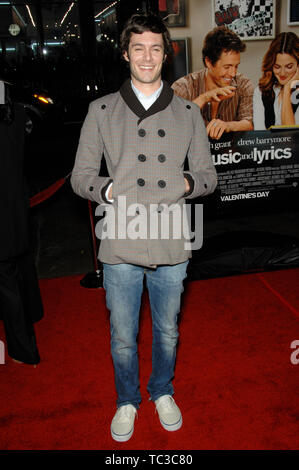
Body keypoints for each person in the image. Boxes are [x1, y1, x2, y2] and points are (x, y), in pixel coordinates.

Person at [71, 13, 217, 442]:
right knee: (122, 336)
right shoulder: (101, 111)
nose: (147, 56)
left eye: (156, 47)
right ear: (125, 54)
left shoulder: (189, 112)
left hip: (172, 237)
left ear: (166, 54)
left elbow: (208, 177)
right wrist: (111, 190)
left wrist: (186, 182)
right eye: (138, 48)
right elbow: (80, 177)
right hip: (120, 238)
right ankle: (127, 400)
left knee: (168, 330)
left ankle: (162, 390)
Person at [0, 80, 43, 366]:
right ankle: (33, 322)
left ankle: (24, 351)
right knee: (17, 272)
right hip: (16, 211)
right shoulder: (19, 113)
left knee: (6, 283)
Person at [172, 26, 254, 140]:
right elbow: (174, 127)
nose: (233, 73)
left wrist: (228, 126)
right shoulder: (182, 87)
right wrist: (203, 98)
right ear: (209, 62)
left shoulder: (244, 85)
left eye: (236, 66)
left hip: (230, 155)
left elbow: (248, 124)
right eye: (227, 67)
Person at [253, 32, 299, 130]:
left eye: (289, 67)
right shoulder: (261, 92)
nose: (282, 73)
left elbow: (292, 136)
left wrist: (287, 90)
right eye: (277, 67)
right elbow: (260, 135)